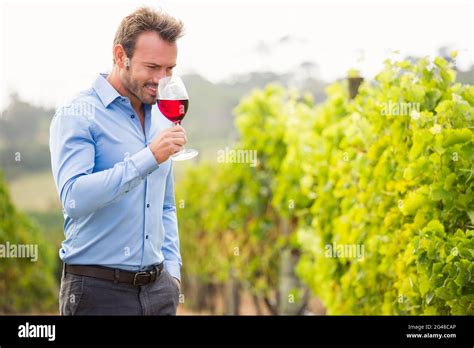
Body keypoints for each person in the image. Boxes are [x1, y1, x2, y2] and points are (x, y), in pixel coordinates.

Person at [49, 6, 186, 315]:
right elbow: (73, 197)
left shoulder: (162, 117)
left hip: (159, 291)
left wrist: (172, 273)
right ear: (120, 55)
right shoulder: (78, 114)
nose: (161, 80)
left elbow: (164, 204)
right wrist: (148, 157)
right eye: (152, 67)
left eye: (170, 69)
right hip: (96, 293)